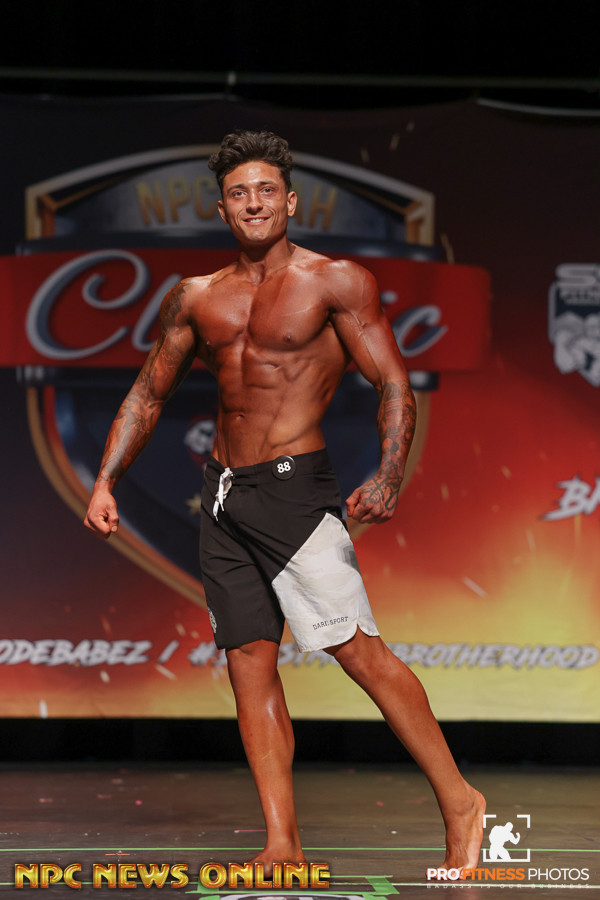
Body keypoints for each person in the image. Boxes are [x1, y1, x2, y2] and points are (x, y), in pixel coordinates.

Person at [84, 130, 485, 875]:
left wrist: (390, 473)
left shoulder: (336, 282)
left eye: (266, 190)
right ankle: (282, 843)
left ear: (290, 201)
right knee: (248, 663)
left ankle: (461, 801)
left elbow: (393, 382)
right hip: (224, 496)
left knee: (357, 651)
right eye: (238, 193)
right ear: (222, 209)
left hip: (295, 490)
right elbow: (147, 394)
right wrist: (106, 480)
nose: (253, 203)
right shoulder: (196, 296)